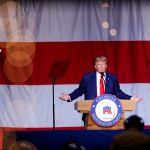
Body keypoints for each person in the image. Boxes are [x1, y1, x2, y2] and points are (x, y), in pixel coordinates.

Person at [59, 56, 142, 121]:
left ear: (106, 66)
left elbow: (118, 92)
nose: (101, 66)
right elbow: (80, 90)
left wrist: (130, 98)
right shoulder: (88, 77)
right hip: (91, 111)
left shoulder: (112, 78)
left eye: (103, 64)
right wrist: (69, 96)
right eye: (99, 64)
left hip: (108, 114)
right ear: (95, 66)